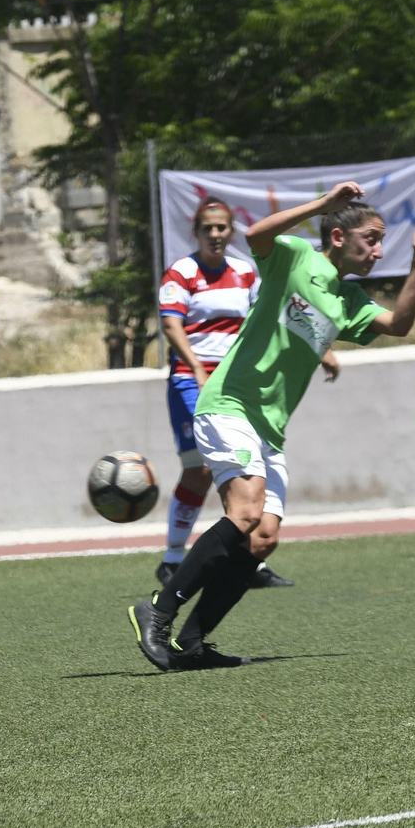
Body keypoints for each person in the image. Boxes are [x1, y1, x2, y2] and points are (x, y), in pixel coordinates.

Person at [129, 182, 415, 671]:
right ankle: (159, 608)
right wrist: (323, 204)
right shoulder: (295, 256)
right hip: (229, 404)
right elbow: (255, 234)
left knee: (262, 537)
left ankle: (190, 642)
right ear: (338, 237)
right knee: (247, 509)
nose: (379, 249)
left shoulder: (349, 298)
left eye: (383, 241)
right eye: (371, 238)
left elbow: (400, 324)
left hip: (269, 428)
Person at [155, 198, 341, 591]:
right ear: (197, 232)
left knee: (244, 469)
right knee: (201, 468)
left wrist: (322, 347)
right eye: (209, 228)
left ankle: (246, 558)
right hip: (194, 380)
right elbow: (172, 326)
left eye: (223, 228)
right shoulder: (182, 271)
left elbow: (278, 311)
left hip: (238, 383)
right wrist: (201, 369)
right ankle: (173, 557)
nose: (216, 235)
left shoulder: (244, 271)